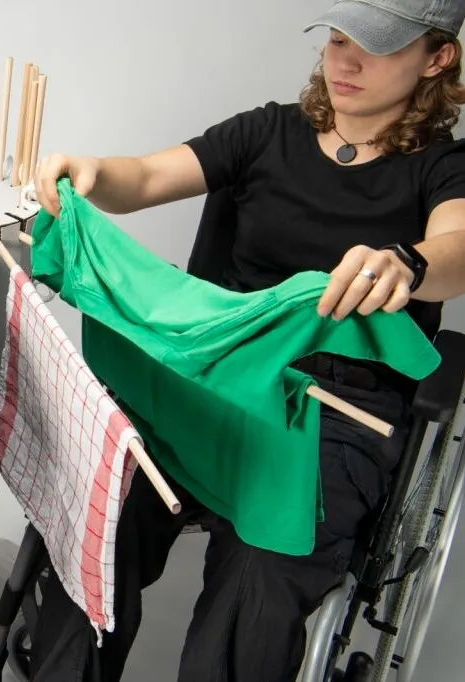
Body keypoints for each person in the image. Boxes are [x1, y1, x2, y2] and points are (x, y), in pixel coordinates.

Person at [29, 2, 465, 681]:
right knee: (99, 517)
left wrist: (406, 264)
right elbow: (144, 178)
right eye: (337, 39)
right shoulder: (268, 132)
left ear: (436, 59)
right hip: (214, 380)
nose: (346, 60)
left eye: (376, 47)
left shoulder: (443, 168)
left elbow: (457, 247)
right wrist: (90, 172)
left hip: (333, 413)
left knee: (258, 578)